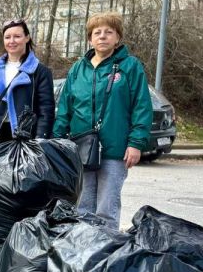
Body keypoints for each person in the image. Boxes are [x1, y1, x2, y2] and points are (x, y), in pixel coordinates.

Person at [53, 12, 153, 228]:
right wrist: (57, 142)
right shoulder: (78, 69)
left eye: (109, 32)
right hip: (81, 149)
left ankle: (106, 255)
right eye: (97, 32)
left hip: (114, 150)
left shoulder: (130, 67)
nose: (103, 36)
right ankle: (84, 254)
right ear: (90, 38)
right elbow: (65, 108)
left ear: (118, 38)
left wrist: (136, 143)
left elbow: (141, 106)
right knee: (82, 208)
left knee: (106, 210)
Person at [0, 18, 55, 147]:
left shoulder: (40, 72)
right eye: (7, 37)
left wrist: (40, 140)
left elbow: (46, 110)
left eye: (17, 36)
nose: (11, 41)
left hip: (25, 139)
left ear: (27, 37)